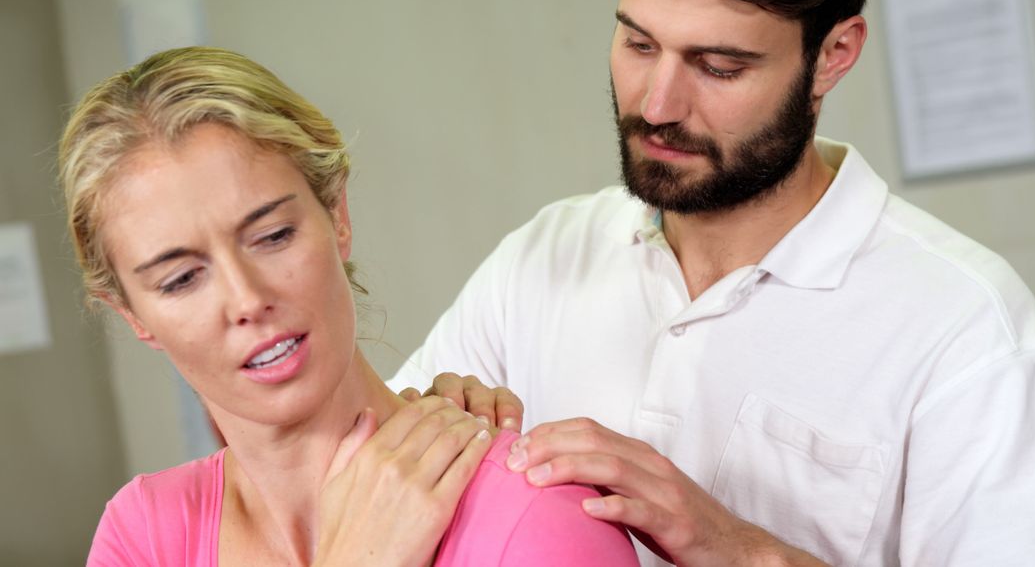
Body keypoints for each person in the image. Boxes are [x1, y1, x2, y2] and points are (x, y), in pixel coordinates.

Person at [390, 0, 1035, 565]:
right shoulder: (540, 256)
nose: (658, 105)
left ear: (833, 55)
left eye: (719, 67)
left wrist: (738, 548)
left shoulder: (967, 325)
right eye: (637, 44)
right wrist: (427, 434)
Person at [60, 46, 639, 566]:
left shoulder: (535, 516)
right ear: (132, 315)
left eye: (273, 236)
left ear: (337, 214)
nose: (248, 300)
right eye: (183, 278)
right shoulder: (141, 534)